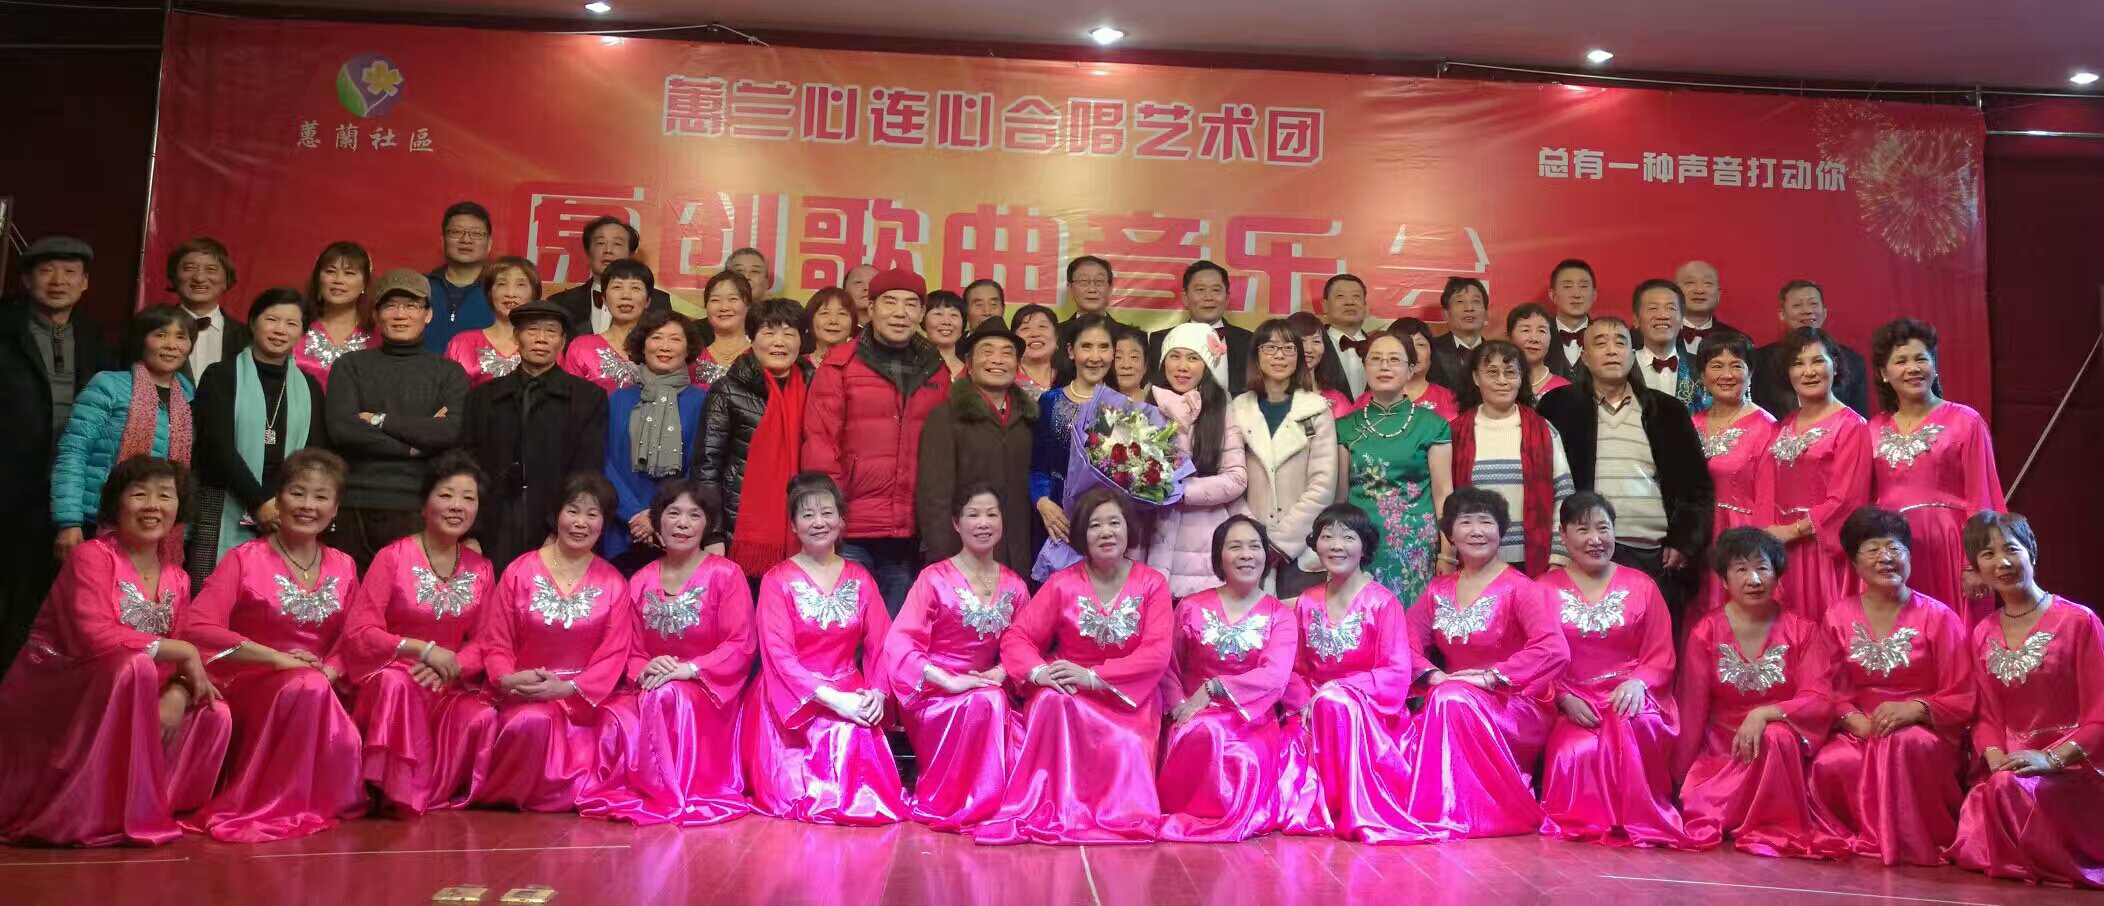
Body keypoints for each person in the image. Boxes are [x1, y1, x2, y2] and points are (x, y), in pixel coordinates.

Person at [0, 457, 229, 846]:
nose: (152, 505)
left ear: (179, 507)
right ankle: (93, 811)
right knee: (133, 667)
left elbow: (185, 652)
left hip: (136, 687)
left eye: (165, 495)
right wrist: (182, 652)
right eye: (139, 494)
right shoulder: (92, 557)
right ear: (116, 504)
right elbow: (94, 636)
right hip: (66, 691)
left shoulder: (178, 577)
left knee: (215, 713)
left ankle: (150, 805)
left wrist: (177, 691)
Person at [177, 449, 366, 842]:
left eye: (320, 496)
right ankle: (276, 803)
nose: (308, 505)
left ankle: (304, 796)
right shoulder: (244, 559)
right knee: (305, 684)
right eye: (297, 493)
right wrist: (277, 659)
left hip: (318, 686)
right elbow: (197, 626)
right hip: (251, 683)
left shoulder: (345, 565)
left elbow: (355, 637)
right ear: (278, 500)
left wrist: (328, 670)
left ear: (335, 509)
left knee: (311, 685)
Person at [973, 487, 1174, 845]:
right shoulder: (1062, 584)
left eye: (1114, 523)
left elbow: (1157, 652)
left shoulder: (1152, 584)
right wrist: (1039, 672)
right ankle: (1058, 808)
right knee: (1051, 701)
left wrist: (1095, 677)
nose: (1106, 532)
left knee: (1127, 743)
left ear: (1129, 528)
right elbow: (1018, 637)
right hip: (1069, 689)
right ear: (1082, 533)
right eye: (1095, 525)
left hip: (1128, 697)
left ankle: (1117, 815)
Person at [580, 479, 755, 827]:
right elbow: (629, 649)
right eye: (673, 513)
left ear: (707, 525)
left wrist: (688, 670)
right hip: (650, 683)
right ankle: (637, 789)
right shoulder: (640, 580)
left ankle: (670, 791)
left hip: (708, 691)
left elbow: (739, 643)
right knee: (613, 712)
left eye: (694, 515)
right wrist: (646, 669)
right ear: (658, 521)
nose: (683, 523)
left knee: (668, 696)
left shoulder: (726, 575)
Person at [1536, 493, 1705, 849]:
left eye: (1603, 528)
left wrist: (1639, 683)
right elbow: (1535, 658)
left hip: (1632, 697)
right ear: (1563, 536)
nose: (1595, 539)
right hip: (1574, 703)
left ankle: (1639, 817)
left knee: (1631, 725)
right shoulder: (1542, 590)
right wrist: (1562, 698)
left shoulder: (1643, 585)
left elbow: (1661, 655)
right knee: (1573, 754)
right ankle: (1596, 823)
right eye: (1583, 529)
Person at [1807, 507, 1974, 866]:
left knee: (1904, 743)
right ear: (1855, 563)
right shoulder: (1837, 616)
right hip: (1861, 728)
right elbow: (1827, 686)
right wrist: (1855, 721)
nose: (1885, 557)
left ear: (1909, 556)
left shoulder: (1940, 617)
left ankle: (1913, 840)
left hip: (1924, 730)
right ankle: (1864, 837)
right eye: (1872, 549)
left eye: (1894, 548)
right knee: (1831, 763)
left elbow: (1962, 692)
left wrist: (1916, 710)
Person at [1402, 488, 1570, 839]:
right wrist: (1433, 675)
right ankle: (1445, 808)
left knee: (1449, 700)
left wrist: (1491, 677)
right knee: (1428, 712)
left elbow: (1553, 649)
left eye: (1486, 522)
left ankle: (1465, 814)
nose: (1476, 531)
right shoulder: (1437, 590)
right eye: (1465, 522)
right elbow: (1402, 641)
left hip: (1515, 702)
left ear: (1501, 531)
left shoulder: (1521, 588)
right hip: (1453, 698)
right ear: (1450, 534)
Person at [1948, 511, 2104, 889]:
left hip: (2076, 768)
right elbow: (1985, 715)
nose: (2002, 563)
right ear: (1977, 569)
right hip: (2012, 768)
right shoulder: (1982, 633)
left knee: (2007, 790)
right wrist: (1994, 758)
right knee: (1999, 788)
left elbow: (2100, 714)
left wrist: (2051, 759)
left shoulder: (2078, 621)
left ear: (2032, 552)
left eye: (2011, 549)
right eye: (1987, 555)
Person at [743, 472, 905, 825]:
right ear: (793, 525)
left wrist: (878, 693)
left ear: (842, 520)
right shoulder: (776, 581)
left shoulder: (860, 578)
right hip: (789, 698)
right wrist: (834, 700)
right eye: (808, 515)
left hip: (850, 687)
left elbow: (881, 643)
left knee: (855, 742)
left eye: (827, 513)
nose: (819, 522)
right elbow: (779, 657)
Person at [341, 451, 498, 814]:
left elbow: (486, 640)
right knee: (398, 685)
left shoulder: (483, 569)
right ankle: (390, 792)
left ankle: (427, 793)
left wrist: (453, 665)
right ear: (424, 504)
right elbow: (361, 631)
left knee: (483, 716)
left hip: (449, 682)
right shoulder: (392, 557)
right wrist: (423, 651)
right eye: (445, 495)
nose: (457, 505)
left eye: (468, 498)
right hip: (395, 673)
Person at [1673, 527, 1843, 858]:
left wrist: (1765, 714)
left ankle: (1776, 822)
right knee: (1698, 804)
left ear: (1777, 575)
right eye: (1741, 569)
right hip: (1725, 749)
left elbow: (1819, 697)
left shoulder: (1802, 630)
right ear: (1724, 580)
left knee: (1775, 736)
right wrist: (1677, 777)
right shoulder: (1706, 633)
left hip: (1782, 747)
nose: (1753, 580)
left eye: (1762, 568)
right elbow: (1692, 707)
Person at [473, 473, 634, 812]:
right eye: (572, 511)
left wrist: (569, 688)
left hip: (585, 698)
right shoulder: (519, 571)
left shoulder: (615, 583)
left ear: (603, 524)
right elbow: (497, 639)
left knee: (624, 721)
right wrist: (507, 678)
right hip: (527, 689)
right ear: (556, 514)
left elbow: (614, 653)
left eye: (592, 514)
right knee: (533, 721)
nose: (580, 522)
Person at [1538, 318, 1714, 621]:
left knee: (1652, 638)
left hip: (1649, 552)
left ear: (1633, 355)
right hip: (1580, 549)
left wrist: (1684, 541)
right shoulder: (1558, 407)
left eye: (1620, 342)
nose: (1611, 350)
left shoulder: (1667, 411)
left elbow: (1695, 486)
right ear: (1584, 357)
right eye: (1600, 343)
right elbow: (1543, 480)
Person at [1275, 504, 1431, 843]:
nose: (1337, 546)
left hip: (1370, 713)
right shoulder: (1306, 601)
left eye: (1348, 537)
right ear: (1316, 545)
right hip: (1311, 710)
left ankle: (1351, 807)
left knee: (1336, 703)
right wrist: (1305, 702)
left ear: (1364, 546)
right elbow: (1294, 667)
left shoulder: (1383, 603)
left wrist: (1336, 689)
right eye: (1327, 537)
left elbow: (1395, 673)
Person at [803, 268, 952, 613]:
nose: (900, 313)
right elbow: (820, 443)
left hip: (912, 530)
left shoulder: (936, 369)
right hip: (852, 526)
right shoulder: (840, 365)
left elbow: (944, 451)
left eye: (911, 304)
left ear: (921, 313)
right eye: (890, 302)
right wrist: (829, 513)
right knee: (846, 625)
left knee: (896, 630)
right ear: (870, 308)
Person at [881, 484, 1026, 832]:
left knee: (997, 705)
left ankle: (991, 800)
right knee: (989, 703)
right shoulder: (934, 579)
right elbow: (900, 643)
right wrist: (948, 680)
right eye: (973, 515)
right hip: (935, 691)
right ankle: (976, 804)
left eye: (991, 514)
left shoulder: (1015, 585)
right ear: (956, 524)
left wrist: (1001, 671)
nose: (983, 523)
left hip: (988, 685)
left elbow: (1024, 644)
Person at [1, 235, 115, 668]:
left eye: (70, 272)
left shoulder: (97, 339)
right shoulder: (5, 331)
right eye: (47, 270)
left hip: (71, 489)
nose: (58, 281)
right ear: (27, 280)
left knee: (58, 599)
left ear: (85, 283)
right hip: (10, 485)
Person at [1157, 516, 1298, 842]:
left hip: (1251, 719)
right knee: (1199, 729)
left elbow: (1275, 676)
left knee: (1236, 753)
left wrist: (1215, 688)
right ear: (1219, 556)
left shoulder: (1280, 615)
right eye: (1235, 547)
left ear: (1266, 555)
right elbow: (1168, 664)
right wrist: (1178, 705)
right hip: (1191, 714)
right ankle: (1192, 811)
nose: (1246, 554)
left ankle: (1221, 817)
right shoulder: (1190, 606)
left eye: (1254, 546)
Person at [325, 269, 471, 569]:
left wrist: (378, 420)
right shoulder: (349, 365)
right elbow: (343, 429)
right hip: (355, 502)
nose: (400, 314)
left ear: (428, 315)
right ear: (376, 315)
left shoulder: (448, 372)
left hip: (419, 506)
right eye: (391, 306)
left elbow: (450, 432)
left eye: (411, 306)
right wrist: (414, 443)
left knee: (409, 594)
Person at [1866, 318, 2005, 625]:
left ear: (1934, 366)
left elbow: (1983, 497)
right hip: (1893, 551)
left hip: (1950, 545)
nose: (1912, 368)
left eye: (1921, 359)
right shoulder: (1872, 429)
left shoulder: (1965, 421)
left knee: (1956, 632)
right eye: (1901, 361)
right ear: (1883, 374)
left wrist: (1976, 563)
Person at [189, 288, 331, 582]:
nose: (280, 330)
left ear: (302, 332)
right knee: (214, 590)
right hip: (224, 500)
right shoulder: (220, 376)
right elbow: (216, 448)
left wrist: (281, 504)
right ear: (253, 323)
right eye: (272, 319)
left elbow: (313, 455)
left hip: (287, 512)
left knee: (273, 594)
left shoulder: (310, 388)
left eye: (291, 323)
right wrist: (259, 501)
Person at [463, 299, 609, 574]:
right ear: (516, 337)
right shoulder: (482, 398)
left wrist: (559, 529)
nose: (541, 338)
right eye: (532, 330)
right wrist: (471, 531)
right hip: (493, 524)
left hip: (554, 524)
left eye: (551, 331)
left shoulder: (588, 398)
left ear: (562, 342)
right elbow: (467, 468)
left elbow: (588, 470)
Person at [52, 305, 197, 565]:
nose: (171, 345)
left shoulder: (189, 400)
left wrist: (182, 533)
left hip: (157, 529)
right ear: (141, 340)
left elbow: (184, 474)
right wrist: (69, 521)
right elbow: (73, 451)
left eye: (181, 337)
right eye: (160, 335)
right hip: (95, 521)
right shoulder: (108, 385)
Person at [1759, 327, 1872, 621]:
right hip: (1780, 549)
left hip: (1822, 551)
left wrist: (1793, 531)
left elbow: (1848, 499)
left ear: (1835, 365)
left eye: (1818, 361)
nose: (1808, 371)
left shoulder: (1852, 426)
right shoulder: (1785, 423)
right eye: (1798, 363)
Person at [696, 298, 811, 580]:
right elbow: (708, 465)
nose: (779, 342)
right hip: (738, 529)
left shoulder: (816, 386)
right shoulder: (727, 389)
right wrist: (713, 533)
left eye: (789, 333)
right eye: (769, 332)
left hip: (804, 527)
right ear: (751, 337)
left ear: (801, 340)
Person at [1336, 334, 1452, 607]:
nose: (1384, 366)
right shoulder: (1345, 427)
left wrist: (1447, 553)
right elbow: (1340, 497)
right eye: (1376, 359)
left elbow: (1444, 494)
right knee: (1363, 619)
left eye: (1394, 360)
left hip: (1415, 546)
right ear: (1365, 367)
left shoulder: (1433, 426)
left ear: (1410, 369)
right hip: (1359, 544)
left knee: (1412, 623)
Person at [917, 322, 1038, 576]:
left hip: (1019, 558)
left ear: (1017, 366)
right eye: (987, 351)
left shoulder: (1029, 420)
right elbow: (934, 497)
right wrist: (945, 560)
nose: (997, 360)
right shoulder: (946, 417)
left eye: (1007, 353)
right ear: (969, 364)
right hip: (962, 557)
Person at [1232, 318, 1338, 599]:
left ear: (1299, 357)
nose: (1279, 355)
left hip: (1302, 545)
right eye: (1270, 347)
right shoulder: (1237, 409)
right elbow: (1231, 479)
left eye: (1288, 348)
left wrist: (1280, 543)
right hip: (1248, 543)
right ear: (1256, 355)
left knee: (1299, 618)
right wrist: (1254, 537)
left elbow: (1323, 485)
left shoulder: (1316, 410)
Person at [1450, 340, 1574, 574]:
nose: (1502, 381)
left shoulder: (1543, 430)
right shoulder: (1455, 433)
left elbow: (1564, 494)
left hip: (1534, 561)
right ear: (1476, 378)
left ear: (1521, 378)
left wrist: (1559, 556)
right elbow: (1446, 501)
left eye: (1510, 373)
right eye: (1492, 372)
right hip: (1471, 561)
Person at [1145, 322, 1249, 598]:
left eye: (1193, 358)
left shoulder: (1220, 410)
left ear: (1207, 366)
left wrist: (1179, 491)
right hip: (1150, 534)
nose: (1182, 366)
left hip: (1204, 539)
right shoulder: (1146, 406)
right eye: (1175, 356)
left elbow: (1236, 477)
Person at [1028, 313, 1137, 567]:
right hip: (1056, 521)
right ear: (1070, 351)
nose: (1095, 357)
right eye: (1086, 346)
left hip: (1106, 524)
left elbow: (1129, 475)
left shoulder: (1125, 409)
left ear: (1113, 353)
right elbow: (1036, 467)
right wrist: (1042, 502)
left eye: (1103, 347)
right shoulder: (1050, 402)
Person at [603, 309, 706, 566]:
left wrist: (659, 514)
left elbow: (701, 467)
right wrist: (633, 513)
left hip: (678, 526)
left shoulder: (703, 401)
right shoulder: (617, 399)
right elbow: (605, 461)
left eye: (675, 339)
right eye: (656, 337)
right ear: (642, 345)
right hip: (622, 526)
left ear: (688, 349)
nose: (665, 346)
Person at [1693, 332, 1777, 614]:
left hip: (1741, 538)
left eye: (1736, 365)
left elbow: (1769, 499)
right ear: (1703, 375)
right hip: (1697, 540)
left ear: (1750, 373)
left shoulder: (1766, 427)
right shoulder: (1691, 423)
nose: (1727, 375)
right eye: (1716, 366)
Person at [1753, 280, 1869, 417]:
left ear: (1824, 312)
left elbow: (1860, 416)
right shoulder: (1760, 361)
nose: (1807, 311)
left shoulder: (1853, 361)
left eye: (1813, 304)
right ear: (1782, 314)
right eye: (1797, 305)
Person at [547, 215, 673, 337]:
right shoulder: (560, 303)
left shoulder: (657, 301)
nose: (608, 250)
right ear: (588, 252)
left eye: (617, 244)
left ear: (631, 255)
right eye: (600, 243)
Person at [1147, 261, 1253, 391]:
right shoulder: (1160, 340)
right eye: (1200, 290)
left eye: (1216, 290)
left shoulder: (1250, 341)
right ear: (1185, 297)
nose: (1208, 297)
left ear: (1227, 298)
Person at [559, 258, 651, 394]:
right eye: (617, 287)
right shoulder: (582, 347)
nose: (626, 295)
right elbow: (570, 399)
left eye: (635, 288)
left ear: (648, 300)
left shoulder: (660, 347)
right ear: (604, 299)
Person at [166, 237, 249, 383]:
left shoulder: (247, 337)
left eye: (211, 269)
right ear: (174, 276)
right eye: (189, 268)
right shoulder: (148, 329)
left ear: (227, 280)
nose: (199, 278)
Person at [443, 256, 535, 387]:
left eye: (520, 284)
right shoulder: (461, 344)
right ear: (489, 292)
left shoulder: (546, 344)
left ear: (534, 294)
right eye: (502, 284)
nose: (510, 293)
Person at [295, 241, 372, 384]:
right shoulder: (296, 328)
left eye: (349, 273)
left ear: (364, 283)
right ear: (318, 278)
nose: (338, 280)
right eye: (330, 271)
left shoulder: (377, 337)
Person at [424, 201, 496, 353]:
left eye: (476, 234)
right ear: (443, 240)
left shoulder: (499, 291)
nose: (466, 240)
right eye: (456, 232)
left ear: (489, 243)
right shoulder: (421, 287)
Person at [1631, 279, 1710, 413]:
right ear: (1636, 320)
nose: (1662, 315)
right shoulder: (1624, 367)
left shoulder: (1701, 367)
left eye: (1671, 308)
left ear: (1682, 319)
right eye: (1653, 308)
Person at [1312, 273, 1376, 399]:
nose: (1350, 302)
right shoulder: (1311, 348)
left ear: (1365, 306)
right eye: (1340, 296)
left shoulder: (1380, 347)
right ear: (1325, 305)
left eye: (1356, 296)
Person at [1051, 256, 1115, 379]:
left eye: (1099, 281)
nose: (1092, 289)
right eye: (1084, 282)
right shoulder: (1054, 336)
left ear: (1110, 289)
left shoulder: (1130, 335)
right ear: (1070, 289)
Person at [1386, 318, 1460, 420]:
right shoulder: (1370, 400)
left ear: (1431, 352)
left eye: (1420, 344)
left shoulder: (1450, 399)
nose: (1413, 352)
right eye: (1404, 344)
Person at [1427, 276, 1489, 394]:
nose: (1469, 308)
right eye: (1460, 301)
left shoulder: (1496, 353)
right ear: (1445, 314)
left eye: (1476, 301)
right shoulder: (1430, 351)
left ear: (1486, 314)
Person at [691, 271, 753, 388]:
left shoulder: (760, 356)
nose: (724, 307)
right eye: (715, 300)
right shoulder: (690, 357)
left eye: (733, 299)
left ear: (748, 305)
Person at [1673, 260, 1743, 358]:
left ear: (1718, 294)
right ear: (1674, 292)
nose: (1699, 290)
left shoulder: (1738, 340)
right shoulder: (1656, 335)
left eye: (1708, 283)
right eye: (1690, 283)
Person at [1506, 302, 1572, 403]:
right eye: (1525, 330)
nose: (1534, 339)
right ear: (1509, 338)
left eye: (1542, 331)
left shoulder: (1565, 389)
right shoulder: (1499, 386)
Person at [1543, 259, 1597, 381]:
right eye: (1567, 286)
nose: (1576, 294)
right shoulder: (1538, 337)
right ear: (1553, 295)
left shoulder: (1605, 337)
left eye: (1583, 286)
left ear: (1594, 296)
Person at [1011, 303, 1059, 401]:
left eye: (1042, 326)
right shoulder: (1006, 381)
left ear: (1056, 336)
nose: (1035, 334)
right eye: (1025, 328)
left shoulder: (1070, 378)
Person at [802, 287, 857, 369]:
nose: (833, 320)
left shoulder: (863, 366)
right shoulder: (799, 365)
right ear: (810, 319)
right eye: (825, 313)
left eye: (842, 313)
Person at [924, 289, 969, 377]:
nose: (947, 322)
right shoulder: (911, 366)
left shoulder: (973, 372)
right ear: (922, 319)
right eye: (938, 314)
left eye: (954, 315)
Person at [1109, 323, 1151, 404]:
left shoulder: (1159, 404)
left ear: (1145, 365)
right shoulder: (1099, 403)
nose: (1126, 365)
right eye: (1118, 357)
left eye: (1134, 357)